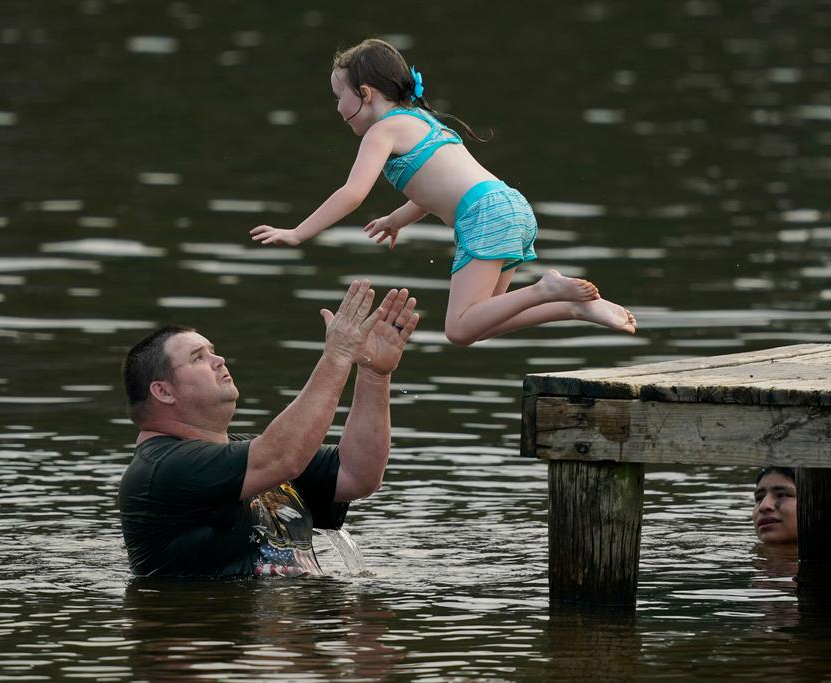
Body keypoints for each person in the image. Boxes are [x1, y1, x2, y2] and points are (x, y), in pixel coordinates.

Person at [249, 37, 636, 346]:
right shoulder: (420, 120)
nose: (337, 108)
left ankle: (547, 289)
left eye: (339, 97)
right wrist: (395, 219)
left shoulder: (382, 131)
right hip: (510, 205)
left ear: (365, 94)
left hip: (482, 214)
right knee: (482, 321)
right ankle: (573, 309)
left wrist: (298, 232)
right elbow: (432, 190)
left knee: (458, 329)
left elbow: (353, 193)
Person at [117, 280, 419, 578]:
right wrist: (337, 356)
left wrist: (374, 374)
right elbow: (284, 457)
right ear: (163, 392)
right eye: (198, 357)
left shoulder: (249, 455)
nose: (219, 360)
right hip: (214, 625)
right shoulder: (164, 469)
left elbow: (357, 475)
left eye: (212, 351)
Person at [752, 466, 831, 564]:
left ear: (818, 502)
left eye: (782, 495)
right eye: (759, 498)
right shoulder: (749, 554)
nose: (763, 506)